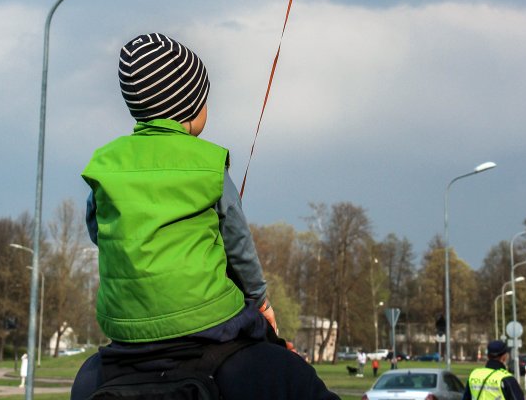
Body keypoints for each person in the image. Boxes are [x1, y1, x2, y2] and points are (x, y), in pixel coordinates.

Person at [72, 32, 339, 400]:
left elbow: (99, 231)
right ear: (190, 108)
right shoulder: (207, 163)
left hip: (128, 326)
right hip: (207, 317)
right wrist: (261, 301)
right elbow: (237, 243)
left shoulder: (106, 164)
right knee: (259, 334)